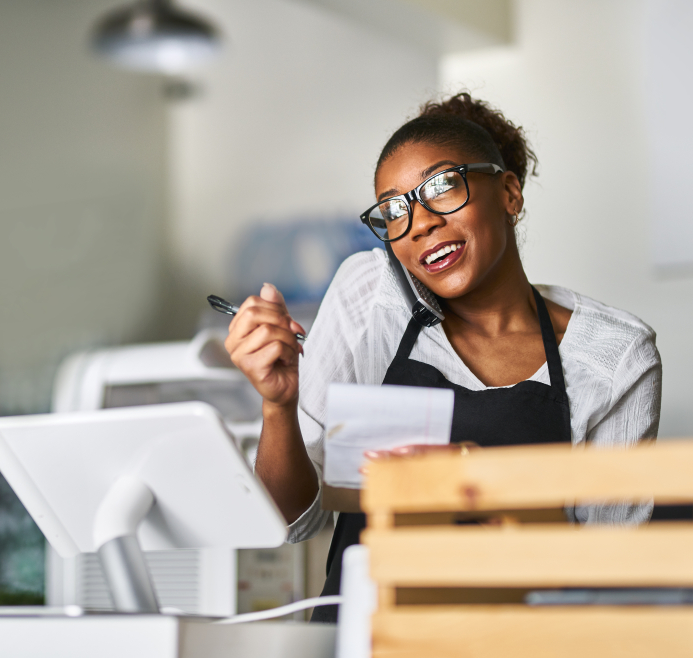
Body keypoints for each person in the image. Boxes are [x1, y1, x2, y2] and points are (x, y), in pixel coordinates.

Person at [223, 92, 662, 623]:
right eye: (394, 210)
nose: (421, 222)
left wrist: (474, 483)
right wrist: (278, 407)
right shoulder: (372, 294)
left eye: (442, 187)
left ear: (509, 193)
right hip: (361, 640)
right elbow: (292, 520)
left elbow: (609, 576)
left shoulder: (612, 355)